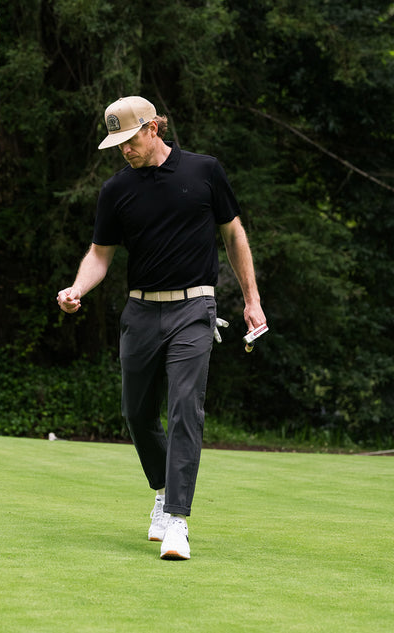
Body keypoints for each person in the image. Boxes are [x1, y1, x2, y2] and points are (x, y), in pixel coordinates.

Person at [57, 96, 266, 560]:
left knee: (185, 406)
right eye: (118, 144)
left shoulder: (204, 171)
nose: (124, 150)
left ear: (154, 128)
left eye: (130, 140)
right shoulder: (116, 190)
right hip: (141, 312)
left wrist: (251, 300)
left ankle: (176, 520)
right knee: (136, 413)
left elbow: (233, 233)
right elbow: (100, 255)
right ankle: (163, 489)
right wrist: (77, 288)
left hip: (194, 308)